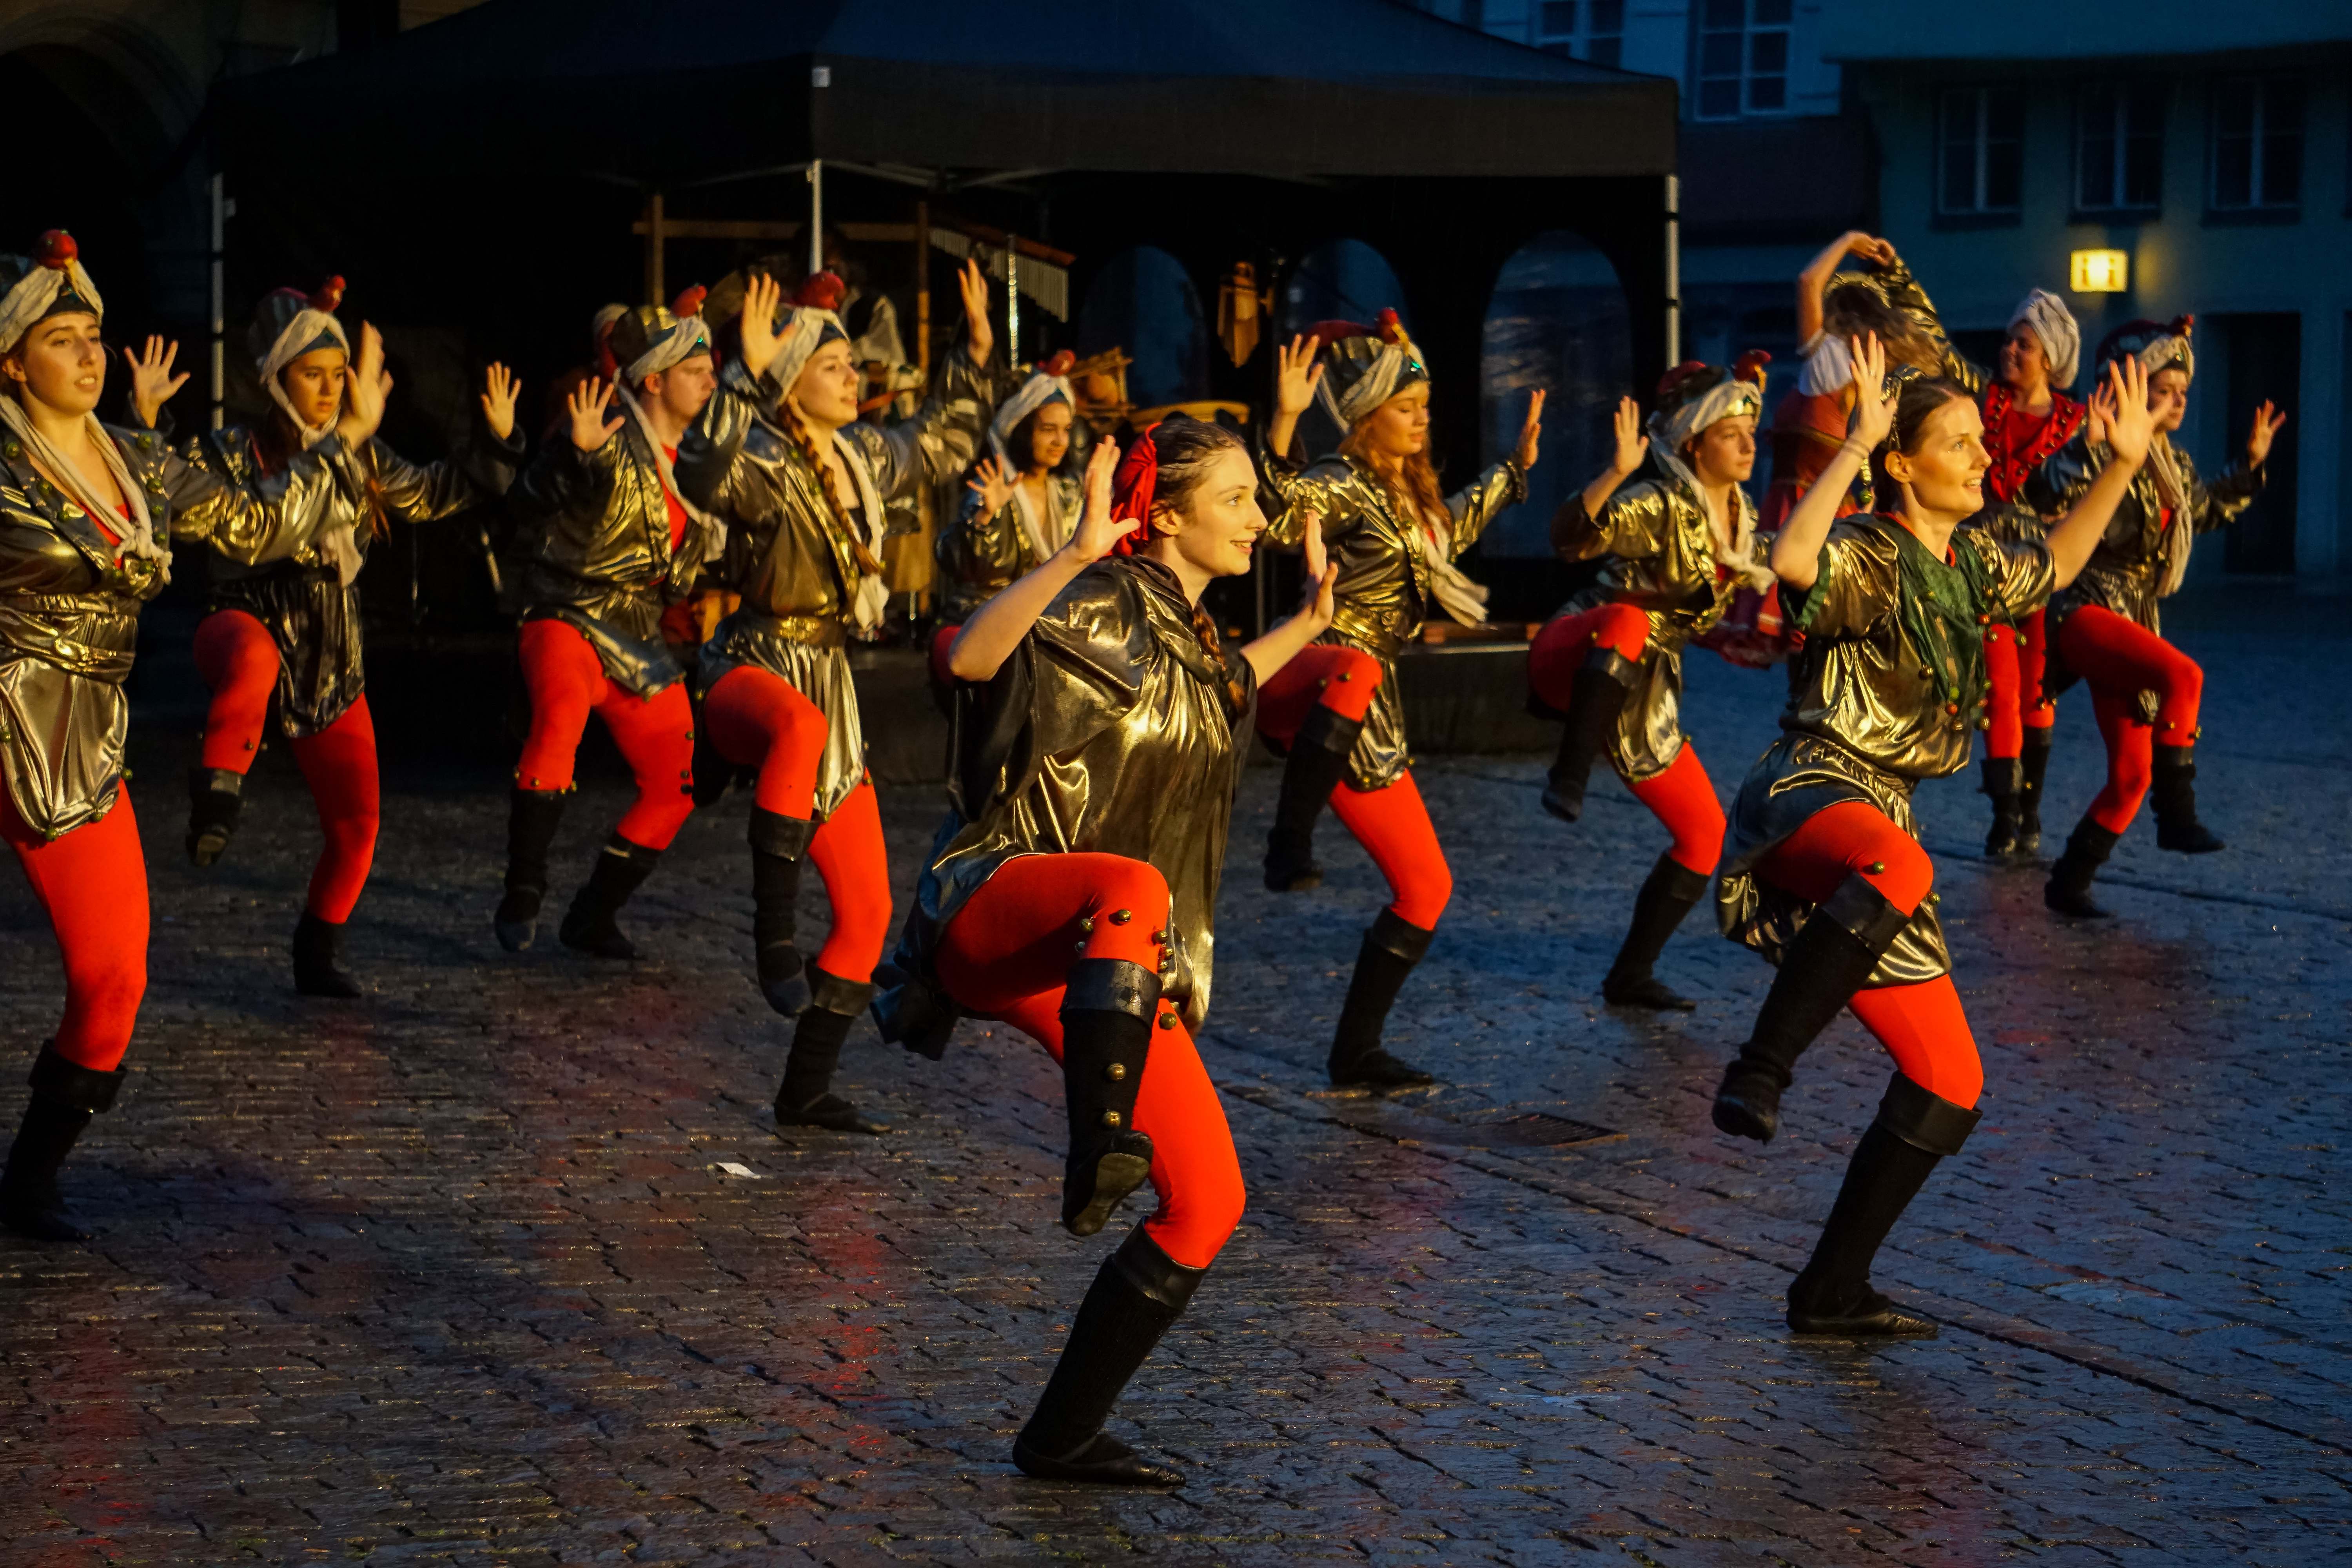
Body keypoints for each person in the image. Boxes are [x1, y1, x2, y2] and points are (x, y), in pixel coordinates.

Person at [875, 414, 1338, 1485]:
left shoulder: (1201, 641)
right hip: (1003, 905)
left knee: (1213, 1200)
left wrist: (1315, 621)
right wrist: (1079, 549)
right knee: (1136, 887)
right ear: (1166, 515)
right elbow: (967, 657)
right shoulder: (1093, 597)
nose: (1260, 522)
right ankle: (1096, 1151)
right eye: (1237, 501)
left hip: (1106, 962)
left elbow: (1228, 694)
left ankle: (1062, 1432)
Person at [1710, 333, 2156, 1336]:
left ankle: (1829, 1291)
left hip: (1887, 837)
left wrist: (2125, 459)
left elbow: (2055, 562)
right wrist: (1853, 447)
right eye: (1954, 442)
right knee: (1900, 860)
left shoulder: (1970, 564)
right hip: (1813, 786)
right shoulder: (1870, 547)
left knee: (1951, 1080)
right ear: (1903, 464)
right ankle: (1759, 1069)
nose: (1978, 457)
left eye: (1974, 441)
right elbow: (1790, 561)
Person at [0, 232, 374, 1239]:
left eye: (93, 337)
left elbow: (265, 529)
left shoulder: (140, 460)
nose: (87, 356)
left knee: (116, 976)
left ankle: (30, 1175)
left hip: (77, 739)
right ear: (11, 359)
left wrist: (339, 440)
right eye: (61, 339)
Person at [672, 260, 994, 1135]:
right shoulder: (764, 459)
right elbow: (700, 471)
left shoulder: (860, 456)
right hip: (753, 662)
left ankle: (804, 1088)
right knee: (797, 726)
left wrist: (975, 349)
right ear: (791, 382)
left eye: (855, 365)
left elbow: (942, 437)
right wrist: (749, 375)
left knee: (869, 912)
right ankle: (773, 937)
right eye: (835, 365)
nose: (856, 376)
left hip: (830, 676)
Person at [180, 278, 523, 995]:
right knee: (254, 657)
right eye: (314, 375)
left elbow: (431, 494)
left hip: (329, 649)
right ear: (276, 378)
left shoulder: (359, 454)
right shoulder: (230, 452)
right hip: (245, 614)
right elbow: (234, 530)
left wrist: (493, 443)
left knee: (358, 823)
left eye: (340, 376)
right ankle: (217, 795)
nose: (331, 390)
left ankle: (317, 950)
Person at [1257, 318, 1543, 1087]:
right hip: (1314, 668)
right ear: (1366, 416)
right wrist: (1284, 418)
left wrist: (1513, 471)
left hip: (1367, 698)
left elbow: (1449, 533)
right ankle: (1289, 842)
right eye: (1407, 405)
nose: (1422, 417)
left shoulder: (1405, 496)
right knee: (1353, 665)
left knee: (1427, 887)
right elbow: (1281, 513)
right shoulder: (1343, 480)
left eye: (1425, 405)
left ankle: (1355, 1050)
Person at [1532, 354, 1772, 1009]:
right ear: (1694, 443)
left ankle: (1630, 975)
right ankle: (1568, 774)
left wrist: (1728, 638)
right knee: (1631, 622)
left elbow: (1689, 608)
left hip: (1645, 682)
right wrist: (1615, 472)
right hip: (1579, 649)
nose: (1750, 445)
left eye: (1751, 430)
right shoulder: (1660, 501)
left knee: (1705, 836)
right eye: (1731, 433)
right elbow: (1572, 540)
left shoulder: (1739, 517)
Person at [498, 287, 727, 959]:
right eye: (694, 370)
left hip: (637, 632)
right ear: (654, 380)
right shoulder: (606, 440)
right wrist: (573, 455)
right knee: (561, 714)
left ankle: (593, 914)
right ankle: (524, 888)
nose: (710, 380)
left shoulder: (691, 464)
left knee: (677, 780)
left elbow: (681, 569)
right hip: (568, 609)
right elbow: (524, 506)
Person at [2032, 316, 2284, 918]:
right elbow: (2044, 495)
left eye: (2182, 392)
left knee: (2131, 773)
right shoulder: (2099, 443)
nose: (2176, 401)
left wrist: (2249, 467)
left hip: (2137, 613)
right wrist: (2089, 446)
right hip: (2085, 605)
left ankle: (2069, 883)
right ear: (2130, 387)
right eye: (2163, 389)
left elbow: (2205, 511)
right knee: (2185, 678)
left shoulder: (2172, 464)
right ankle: (2178, 817)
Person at [1971, 290, 2085, 860]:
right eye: (2010, 340)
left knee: (2038, 691)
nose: (2011, 350)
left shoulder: (2075, 422)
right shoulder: (1982, 401)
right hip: (1988, 568)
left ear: (2050, 359)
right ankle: (2004, 812)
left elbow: (2094, 487)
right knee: (2000, 688)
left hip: (2045, 570)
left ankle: (2032, 809)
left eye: (2025, 344)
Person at [1761, 232, 1971, 534]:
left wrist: (1847, 242)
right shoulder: (1882, 372)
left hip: (1801, 515)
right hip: (1845, 515)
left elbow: (1808, 282)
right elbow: (1929, 325)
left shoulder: (1830, 360)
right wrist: (1894, 269)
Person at [934, 350, 1081, 651]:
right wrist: (983, 520)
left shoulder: (1068, 493)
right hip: (987, 627)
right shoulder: (993, 488)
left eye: (1066, 430)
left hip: (1046, 628)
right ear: (1022, 430)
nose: (1060, 442)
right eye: (1048, 430)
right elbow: (961, 564)